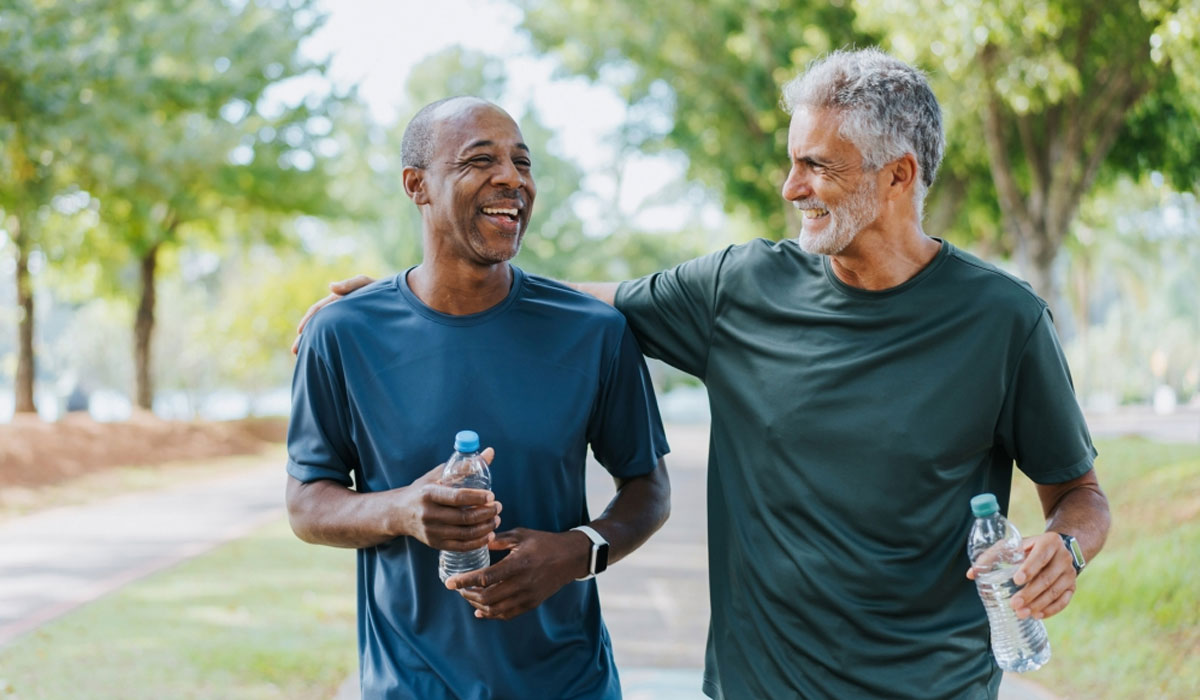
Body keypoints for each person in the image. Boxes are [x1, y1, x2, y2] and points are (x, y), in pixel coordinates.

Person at [296, 50, 1110, 699]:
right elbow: (573, 303)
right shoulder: (740, 287)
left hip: (938, 686)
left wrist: (1064, 551)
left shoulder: (1004, 320)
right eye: (792, 162)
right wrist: (403, 290)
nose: (791, 188)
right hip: (755, 687)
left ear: (899, 175)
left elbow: (1081, 494)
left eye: (818, 167)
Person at [286, 96, 671, 700]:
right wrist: (403, 510)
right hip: (410, 686)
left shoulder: (594, 331)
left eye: (522, 162)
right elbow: (307, 504)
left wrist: (575, 553)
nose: (511, 179)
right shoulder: (342, 334)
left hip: (571, 684)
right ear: (418, 185)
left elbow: (649, 489)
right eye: (479, 160)